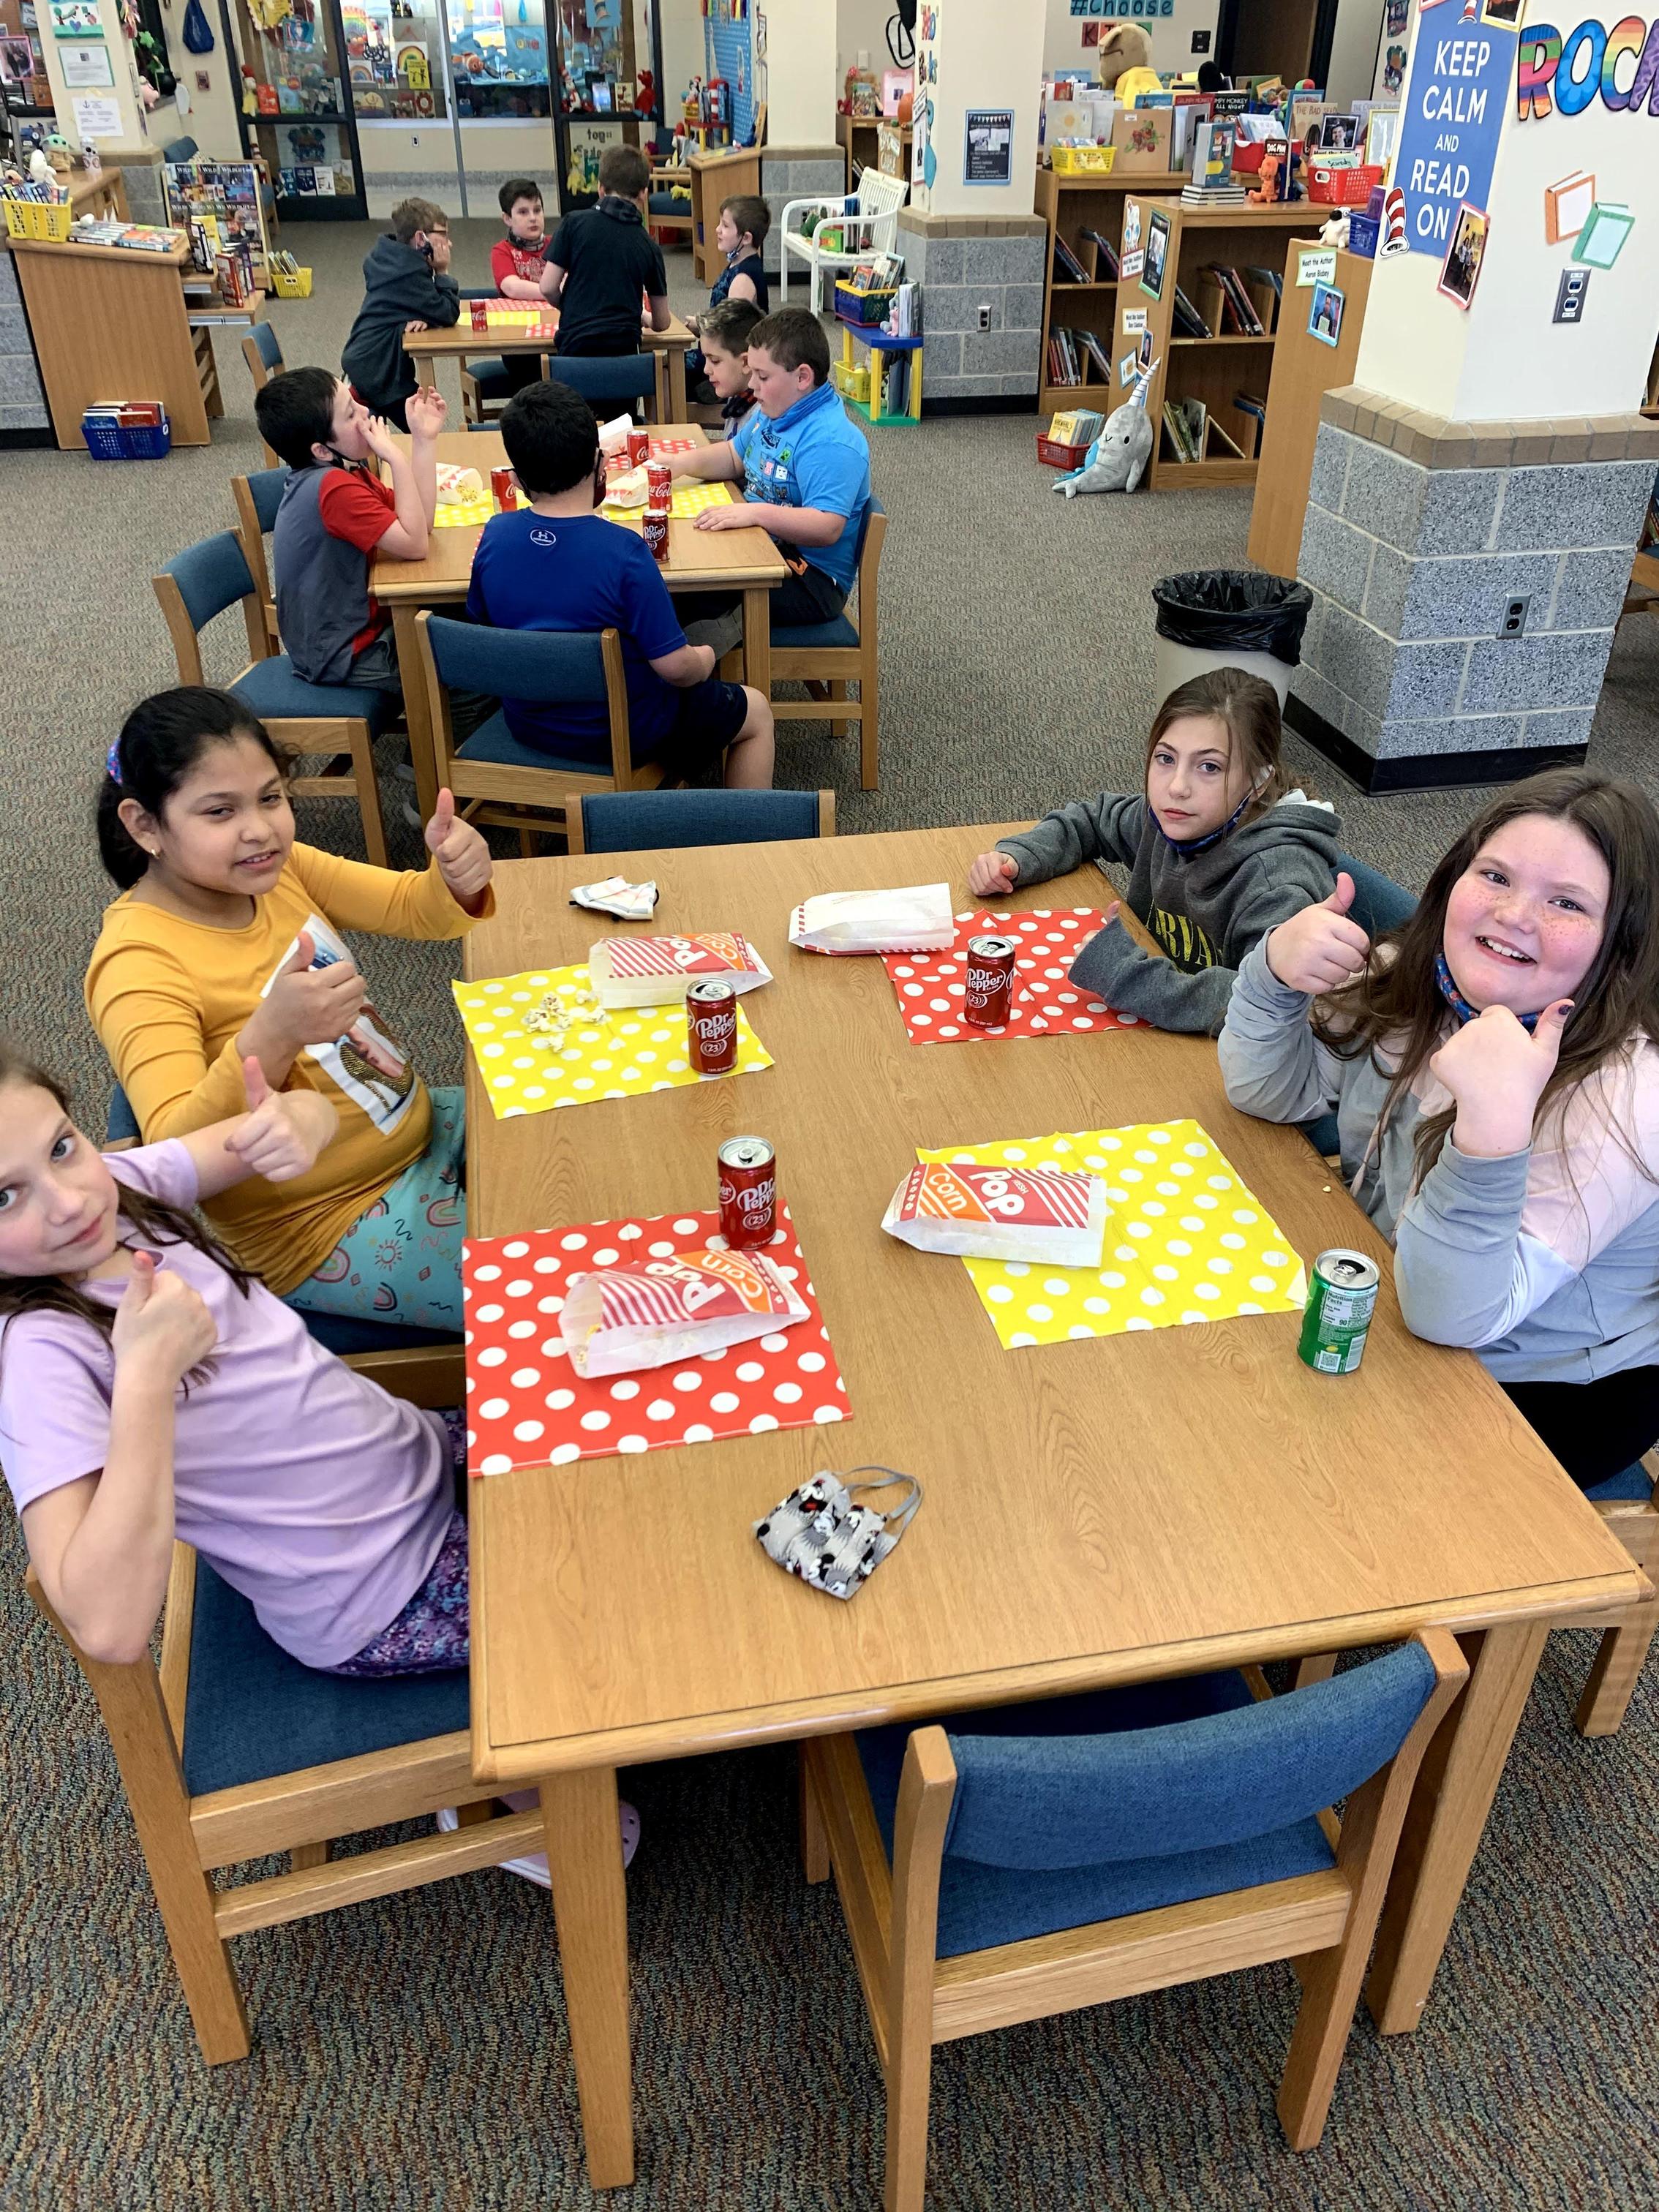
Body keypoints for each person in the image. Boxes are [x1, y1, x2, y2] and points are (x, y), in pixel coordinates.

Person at [1218, 767, 1659, 1493]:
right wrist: (1272, 974)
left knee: (1281, 1476)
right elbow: (1268, 1092)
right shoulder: (1421, 978)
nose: (1514, 915)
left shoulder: (1625, 1095)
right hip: (1400, 1288)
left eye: (1567, 903)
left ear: (1622, 941)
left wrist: (1491, 1132)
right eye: (1496, 876)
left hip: (1542, 1387)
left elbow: (1450, 1315)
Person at [86, 689, 494, 1331]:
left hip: (419, 1131)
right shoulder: (137, 961)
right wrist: (270, 1036)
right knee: (554, 1283)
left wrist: (456, 877)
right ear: (144, 826)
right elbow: (173, 1154)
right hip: (323, 1226)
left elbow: (414, 909)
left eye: (271, 798)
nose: (260, 829)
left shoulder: (278, 871)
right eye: (220, 811)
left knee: (584, 1136)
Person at [968, 669, 1340, 1034]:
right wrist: (1019, 857)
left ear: (1258, 782)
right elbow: (1091, 821)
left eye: (1209, 767)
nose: (1176, 787)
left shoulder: (1277, 883)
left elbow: (1265, 1004)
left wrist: (1124, 973)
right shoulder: (1172, 819)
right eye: (1166, 758)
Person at [465, 381, 773, 786]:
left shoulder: (494, 536)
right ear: (601, 465)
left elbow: (483, 631)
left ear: (517, 480)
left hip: (528, 723)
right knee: (756, 710)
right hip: (627, 730)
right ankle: (744, 827)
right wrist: (705, 658)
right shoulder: (625, 552)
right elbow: (676, 669)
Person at [671, 306, 873, 630]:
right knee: (681, 565)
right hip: (764, 545)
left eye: (763, 376)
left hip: (811, 580)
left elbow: (826, 526)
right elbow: (734, 456)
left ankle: (699, 656)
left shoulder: (830, 442)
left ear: (802, 377)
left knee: (689, 594)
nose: (753, 385)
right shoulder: (777, 408)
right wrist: (677, 465)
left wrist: (755, 513)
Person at [255, 366, 445, 693]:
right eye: (350, 413)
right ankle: (428, 728)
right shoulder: (334, 489)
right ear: (322, 450)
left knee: (463, 626)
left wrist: (423, 440)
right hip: (347, 653)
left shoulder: (345, 472)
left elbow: (420, 522)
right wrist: (395, 458)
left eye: (355, 401)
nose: (365, 412)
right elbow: (416, 546)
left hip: (354, 633)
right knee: (471, 678)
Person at [340, 198, 459, 432]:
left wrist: (420, 315)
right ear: (420, 239)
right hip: (378, 372)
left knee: (423, 422)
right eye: (443, 235)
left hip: (368, 360)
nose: (449, 243)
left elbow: (417, 304)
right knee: (426, 427)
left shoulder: (392, 260)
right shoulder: (409, 272)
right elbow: (447, 312)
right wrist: (443, 271)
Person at [540, 143, 669, 357]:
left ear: (600, 188)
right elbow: (662, 322)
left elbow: (547, 287)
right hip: (625, 355)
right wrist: (645, 318)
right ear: (644, 194)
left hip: (574, 351)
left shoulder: (573, 223)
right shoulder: (649, 245)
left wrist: (571, 307)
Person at [685, 193, 770, 399]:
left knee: (667, 371)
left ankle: (674, 415)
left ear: (746, 238)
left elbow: (731, 333)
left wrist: (700, 327)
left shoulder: (743, 278)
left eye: (725, 226)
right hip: (716, 353)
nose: (717, 230)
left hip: (726, 362)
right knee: (665, 366)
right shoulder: (736, 266)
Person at [491, 176, 551, 398]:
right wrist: (552, 290)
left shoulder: (557, 244)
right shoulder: (502, 251)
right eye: (523, 212)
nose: (533, 218)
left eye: (537, 210)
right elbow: (512, 287)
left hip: (556, 336)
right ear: (507, 218)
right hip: (519, 343)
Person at [697, 296, 762, 438]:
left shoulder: (762, 417)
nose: (706, 370)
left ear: (746, 362)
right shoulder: (737, 396)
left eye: (715, 361)